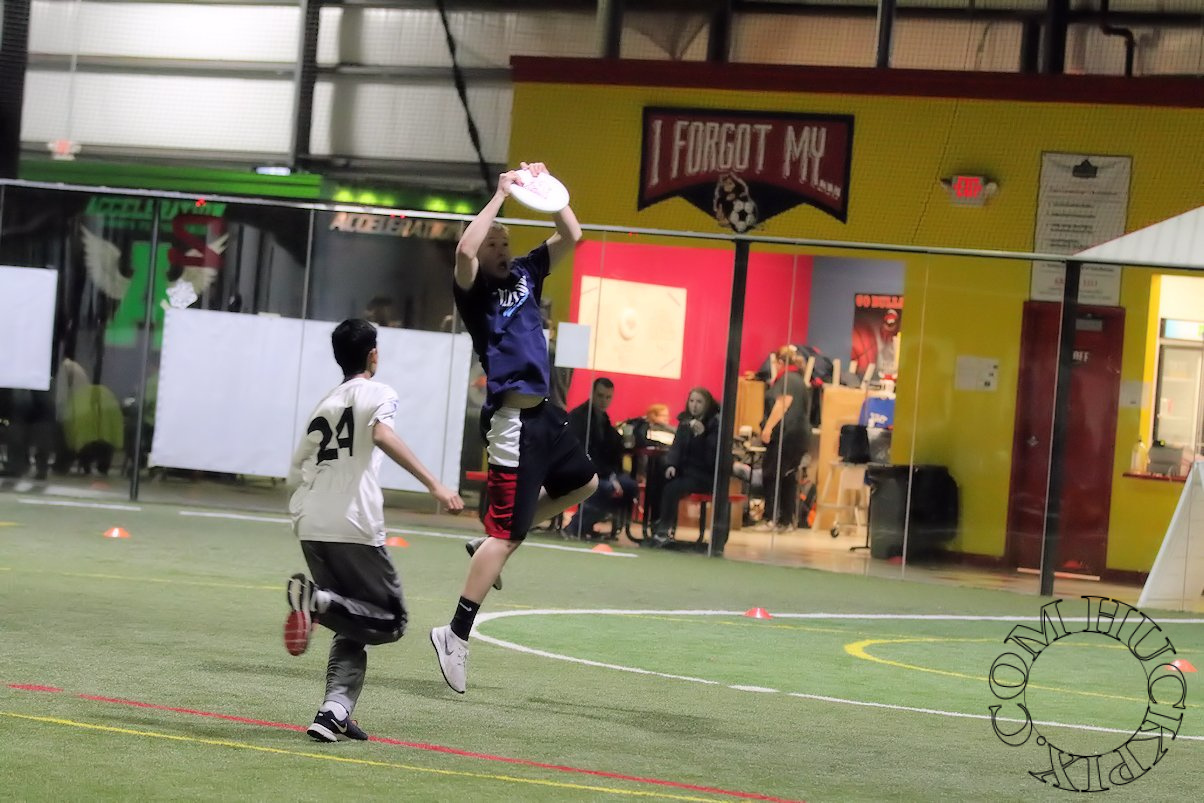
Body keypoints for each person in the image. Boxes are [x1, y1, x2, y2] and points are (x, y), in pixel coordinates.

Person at [432, 162, 598, 694]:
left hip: (545, 414)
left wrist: (548, 189)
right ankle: (455, 633)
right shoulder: (472, 290)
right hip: (511, 424)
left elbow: (572, 233)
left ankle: (489, 541)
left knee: (584, 483)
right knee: (508, 536)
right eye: (494, 243)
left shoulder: (528, 271)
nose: (502, 248)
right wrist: (501, 194)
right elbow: (464, 250)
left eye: (505, 242)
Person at [282, 318, 464, 742]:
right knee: (392, 620)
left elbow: (297, 467)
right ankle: (319, 601)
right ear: (373, 355)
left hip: (312, 524)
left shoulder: (325, 402)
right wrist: (435, 485)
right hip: (353, 523)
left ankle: (334, 710)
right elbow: (382, 435)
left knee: (354, 619)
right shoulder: (378, 392)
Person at [564, 377, 638, 539]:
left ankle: (588, 524)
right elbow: (583, 453)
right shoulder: (579, 417)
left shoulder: (603, 419)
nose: (604, 400)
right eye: (600, 395)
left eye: (608, 397)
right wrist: (610, 476)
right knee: (606, 487)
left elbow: (612, 448)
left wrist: (627, 442)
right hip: (577, 469)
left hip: (600, 471)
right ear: (592, 394)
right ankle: (575, 527)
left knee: (630, 486)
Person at [650, 388, 720, 546]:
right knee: (657, 478)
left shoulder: (714, 424)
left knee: (672, 488)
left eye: (699, 402)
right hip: (685, 471)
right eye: (692, 401)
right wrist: (671, 464)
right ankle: (656, 521)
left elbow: (711, 456)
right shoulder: (685, 422)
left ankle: (663, 529)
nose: (694, 405)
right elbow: (676, 447)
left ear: (707, 404)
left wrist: (701, 436)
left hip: (703, 475)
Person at [759, 345, 812, 532]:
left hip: (785, 434)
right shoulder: (799, 380)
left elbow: (783, 404)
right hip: (798, 436)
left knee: (771, 474)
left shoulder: (786, 379)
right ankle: (786, 520)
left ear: (781, 362)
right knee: (788, 477)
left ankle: (771, 518)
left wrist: (767, 428)